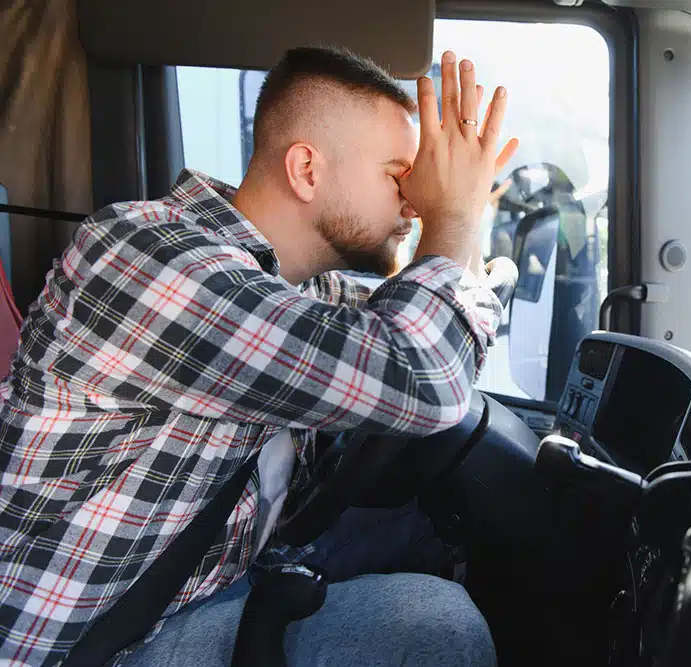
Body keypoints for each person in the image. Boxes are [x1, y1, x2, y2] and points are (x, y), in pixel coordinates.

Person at [0, 46, 518, 667]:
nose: (415, 203)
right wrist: (452, 215)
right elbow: (422, 377)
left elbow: (430, 329)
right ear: (306, 170)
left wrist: (465, 217)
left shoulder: (295, 288)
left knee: (426, 530)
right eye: (397, 176)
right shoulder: (149, 254)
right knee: (438, 624)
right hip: (89, 645)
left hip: (207, 575)